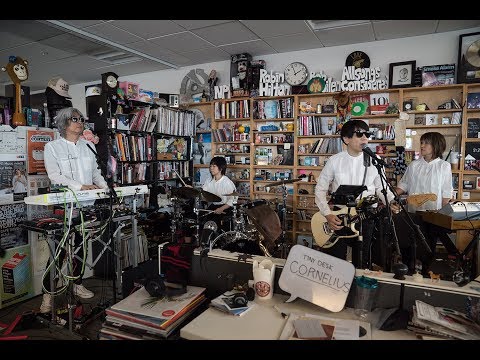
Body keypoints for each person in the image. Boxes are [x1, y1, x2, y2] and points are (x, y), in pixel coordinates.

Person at [40, 107, 108, 313]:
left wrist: (105, 189)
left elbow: (96, 173)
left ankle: (77, 283)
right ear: (64, 124)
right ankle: (47, 295)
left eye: (81, 119)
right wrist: (80, 187)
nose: (80, 122)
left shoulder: (88, 145)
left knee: (80, 248)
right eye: (74, 119)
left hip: (87, 205)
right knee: (59, 252)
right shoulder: (52, 147)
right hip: (65, 207)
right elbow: (55, 175)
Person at [314, 120, 399, 269]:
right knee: (334, 263)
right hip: (338, 218)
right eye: (359, 134)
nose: (365, 138)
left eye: (367, 134)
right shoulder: (334, 161)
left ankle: (358, 290)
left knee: (361, 262)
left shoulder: (375, 160)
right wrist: (327, 214)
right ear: (346, 139)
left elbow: (381, 188)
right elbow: (320, 190)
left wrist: (391, 201)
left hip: (365, 217)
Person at [394, 132, 453, 274]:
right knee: (409, 246)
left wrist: (443, 216)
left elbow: (446, 193)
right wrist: (388, 196)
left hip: (433, 215)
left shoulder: (444, 166)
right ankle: (408, 273)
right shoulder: (414, 165)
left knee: (428, 247)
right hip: (413, 214)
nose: (422, 145)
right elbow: (404, 185)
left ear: (436, 145)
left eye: (426, 143)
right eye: (422, 142)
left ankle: (426, 274)